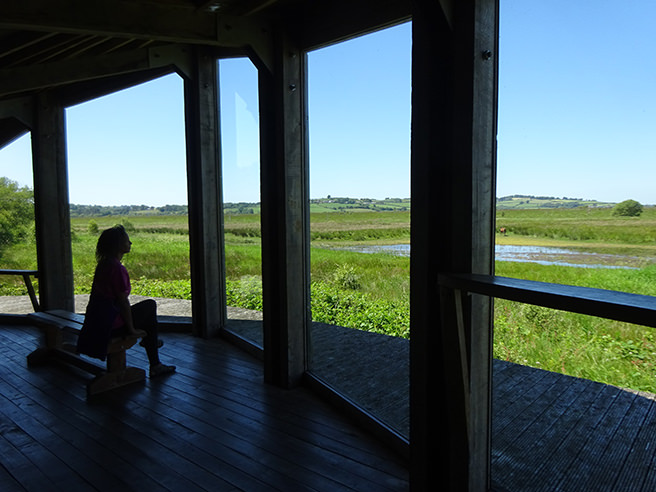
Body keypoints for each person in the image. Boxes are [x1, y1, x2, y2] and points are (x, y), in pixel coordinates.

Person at [77, 225, 175, 378]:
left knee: (147, 312)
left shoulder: (103, 265)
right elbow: (122, 303)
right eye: (126, 240)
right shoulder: (117, 268)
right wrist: (132, 330)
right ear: (118, 244)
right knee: (150, 305)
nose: (130, 243)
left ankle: (151, 342)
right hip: (110, 325)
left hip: (98, 322)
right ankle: (154, 360)